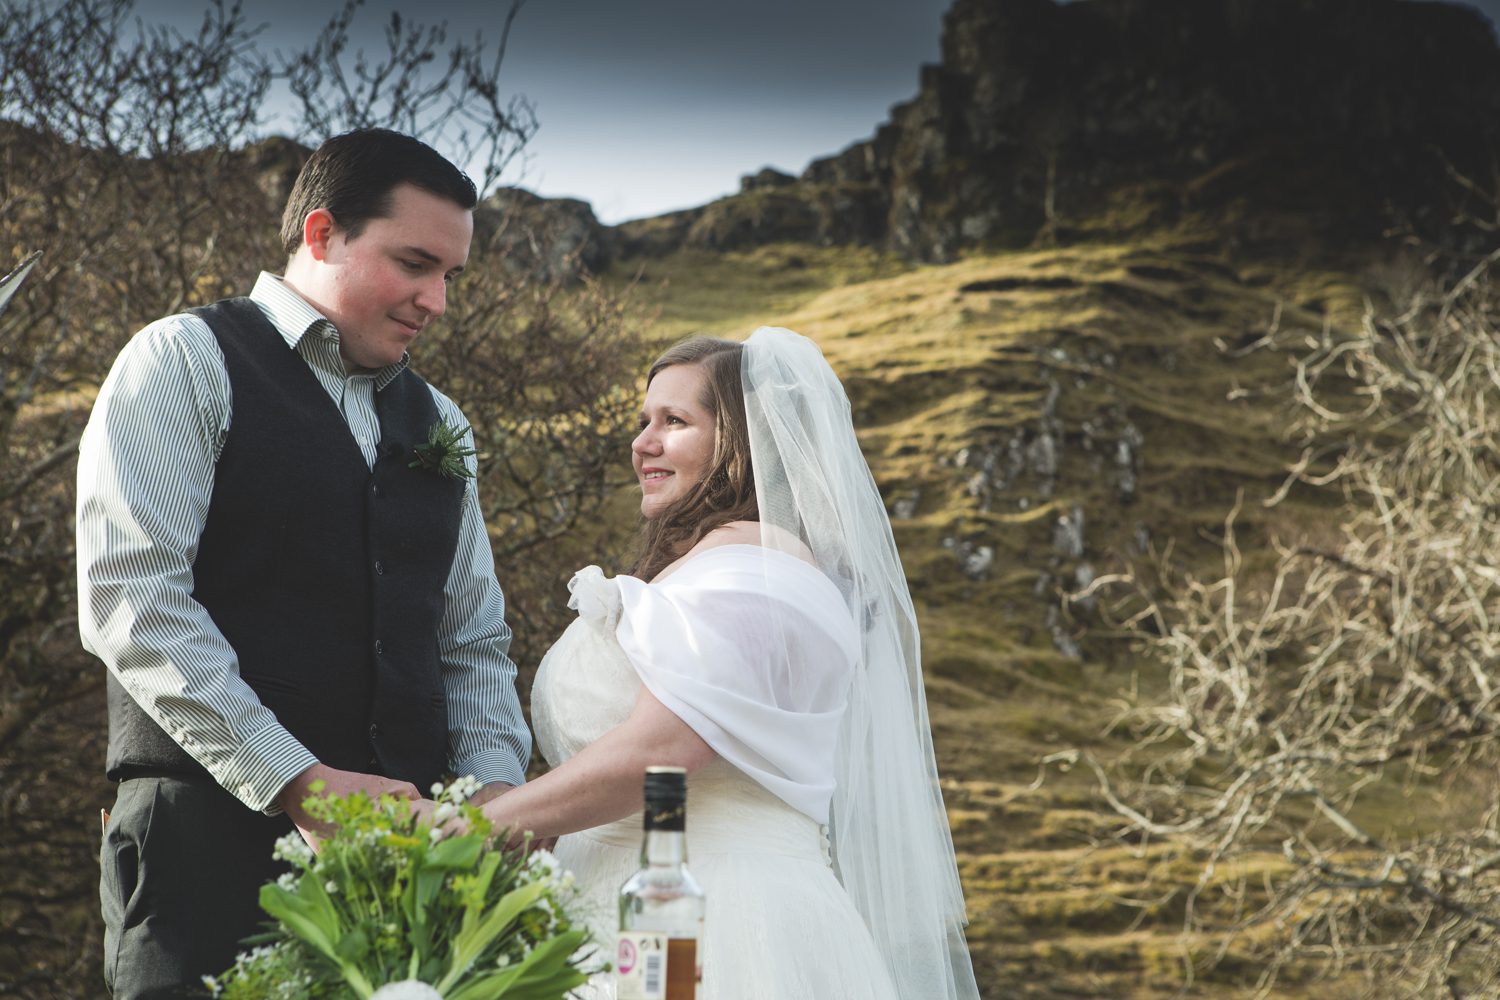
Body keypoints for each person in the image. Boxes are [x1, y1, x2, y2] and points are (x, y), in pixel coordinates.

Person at [76, 128, 531, 998]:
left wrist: (491, 806)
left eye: (450, 278)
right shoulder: (183, 360)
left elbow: (472, 642)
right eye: (414, 264)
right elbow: (133, 598)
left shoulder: (444, 424)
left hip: (408, 881)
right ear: (322, 235)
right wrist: (298, 781)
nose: (436, 300)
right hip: (202, 853)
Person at [474, 329, 980, 998]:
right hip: (610, 907)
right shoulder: (728, 564)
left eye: (674, 422)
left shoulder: (754, 571)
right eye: (643, 420)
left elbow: (663, 751)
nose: (643, 442)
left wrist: (483, 827)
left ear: (744, 443)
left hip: (719, 918)